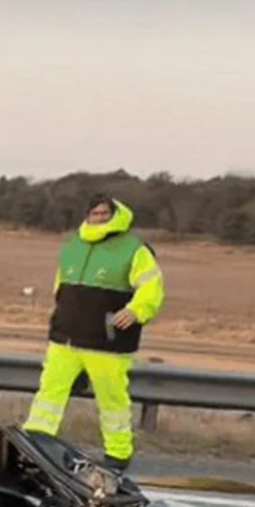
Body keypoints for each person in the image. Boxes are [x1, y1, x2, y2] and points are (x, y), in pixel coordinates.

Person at [23, 195, 165, 472]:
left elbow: (152, 287)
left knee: (112, 400)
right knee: (49, 393)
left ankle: (118, 455)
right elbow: (60, 286)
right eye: (94, 213)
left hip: (107, 342)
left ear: (115, 215)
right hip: (66, 337)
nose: (98, 218)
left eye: (103, 213)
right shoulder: (72, 246)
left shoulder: (134, 249)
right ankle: (36, 443)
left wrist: (137, 310)